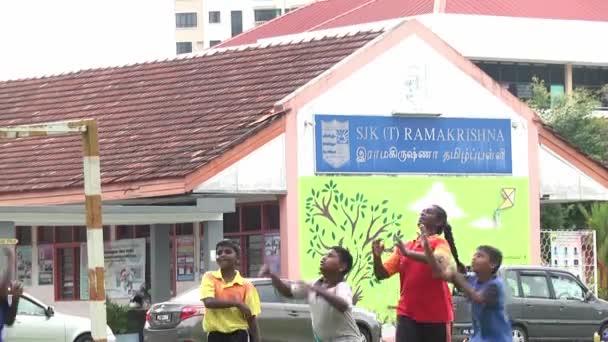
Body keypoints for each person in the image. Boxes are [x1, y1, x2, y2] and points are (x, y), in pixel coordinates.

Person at [372, 205, 464, 342]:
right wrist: (377, 257)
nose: (422, 212)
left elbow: (440, 261)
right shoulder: (406, 246)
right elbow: (382, 274)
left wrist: (410, 254)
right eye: (423, 211)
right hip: (407, 314)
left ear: (439, 222)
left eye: (428, 212)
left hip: (436, 316)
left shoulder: (440, 243)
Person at [259, 246, 364, 342]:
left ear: (342, 266)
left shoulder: (341, 286)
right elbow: (288, 291)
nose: (323, 258)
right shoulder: (315, 284)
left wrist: (318, 290)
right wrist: (272, 275)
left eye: (330, 256)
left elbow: (343, 305)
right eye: (324, 255)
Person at [421, 239, 511, 342]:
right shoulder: (472, 279)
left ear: (493, 264)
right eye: (474, 255)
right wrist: (427, 250)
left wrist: (458, 278)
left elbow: (478, 298)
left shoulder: (495, 285)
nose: (474, 258)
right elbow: (438, 274)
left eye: (480, 256)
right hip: (479, 338)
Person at [200, 240, 261, 342]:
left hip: (239, 335)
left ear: (237, 258)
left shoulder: (247, 286)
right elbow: (209, 302)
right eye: (219, 253)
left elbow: (251, 318)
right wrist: (237, 303)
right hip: (215, 336)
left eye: (228, 252)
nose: (222, 255)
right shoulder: (209, 277)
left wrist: (257, 340)